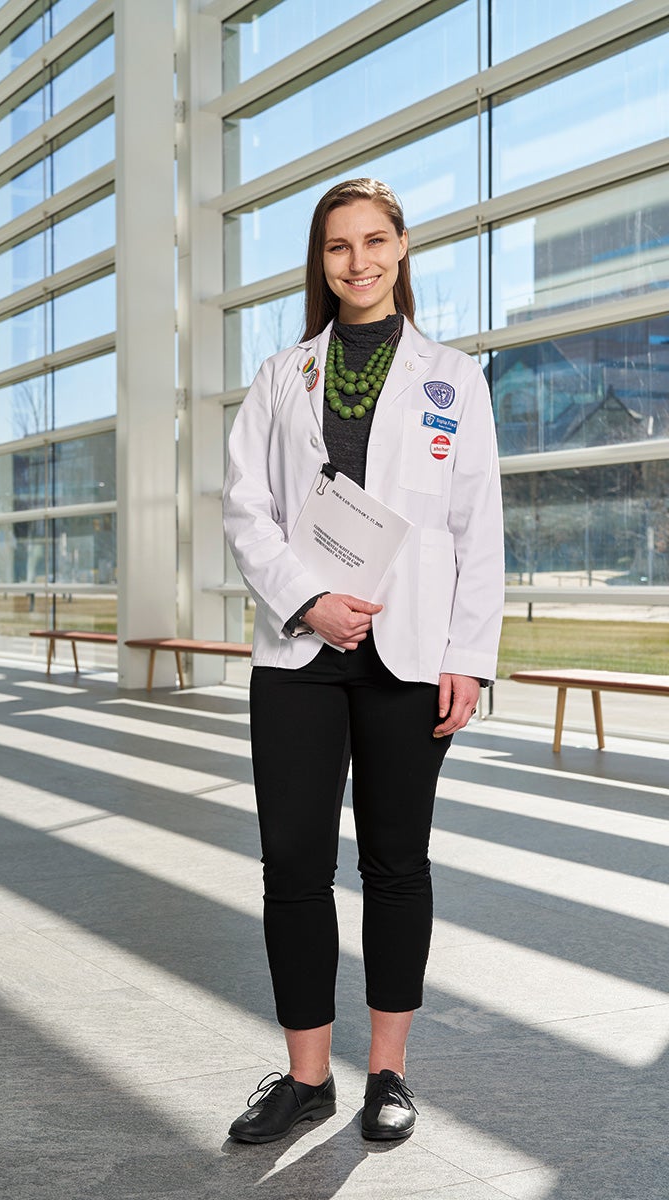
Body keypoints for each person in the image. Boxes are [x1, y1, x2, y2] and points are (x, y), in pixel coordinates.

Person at [222, 178, 504, 1145]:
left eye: (375, 241)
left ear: (402, 247)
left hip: (411, 650)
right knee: (293, 865)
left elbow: (477, 527)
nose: (359, 261)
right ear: (322, 261)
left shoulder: (453, 378)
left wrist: (471, 656)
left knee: (395, 864)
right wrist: (309, 600)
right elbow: (244, 507)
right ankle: (307, 1080)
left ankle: (388, 1073)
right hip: (302, 652)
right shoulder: (280, 375)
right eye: (339, 247)